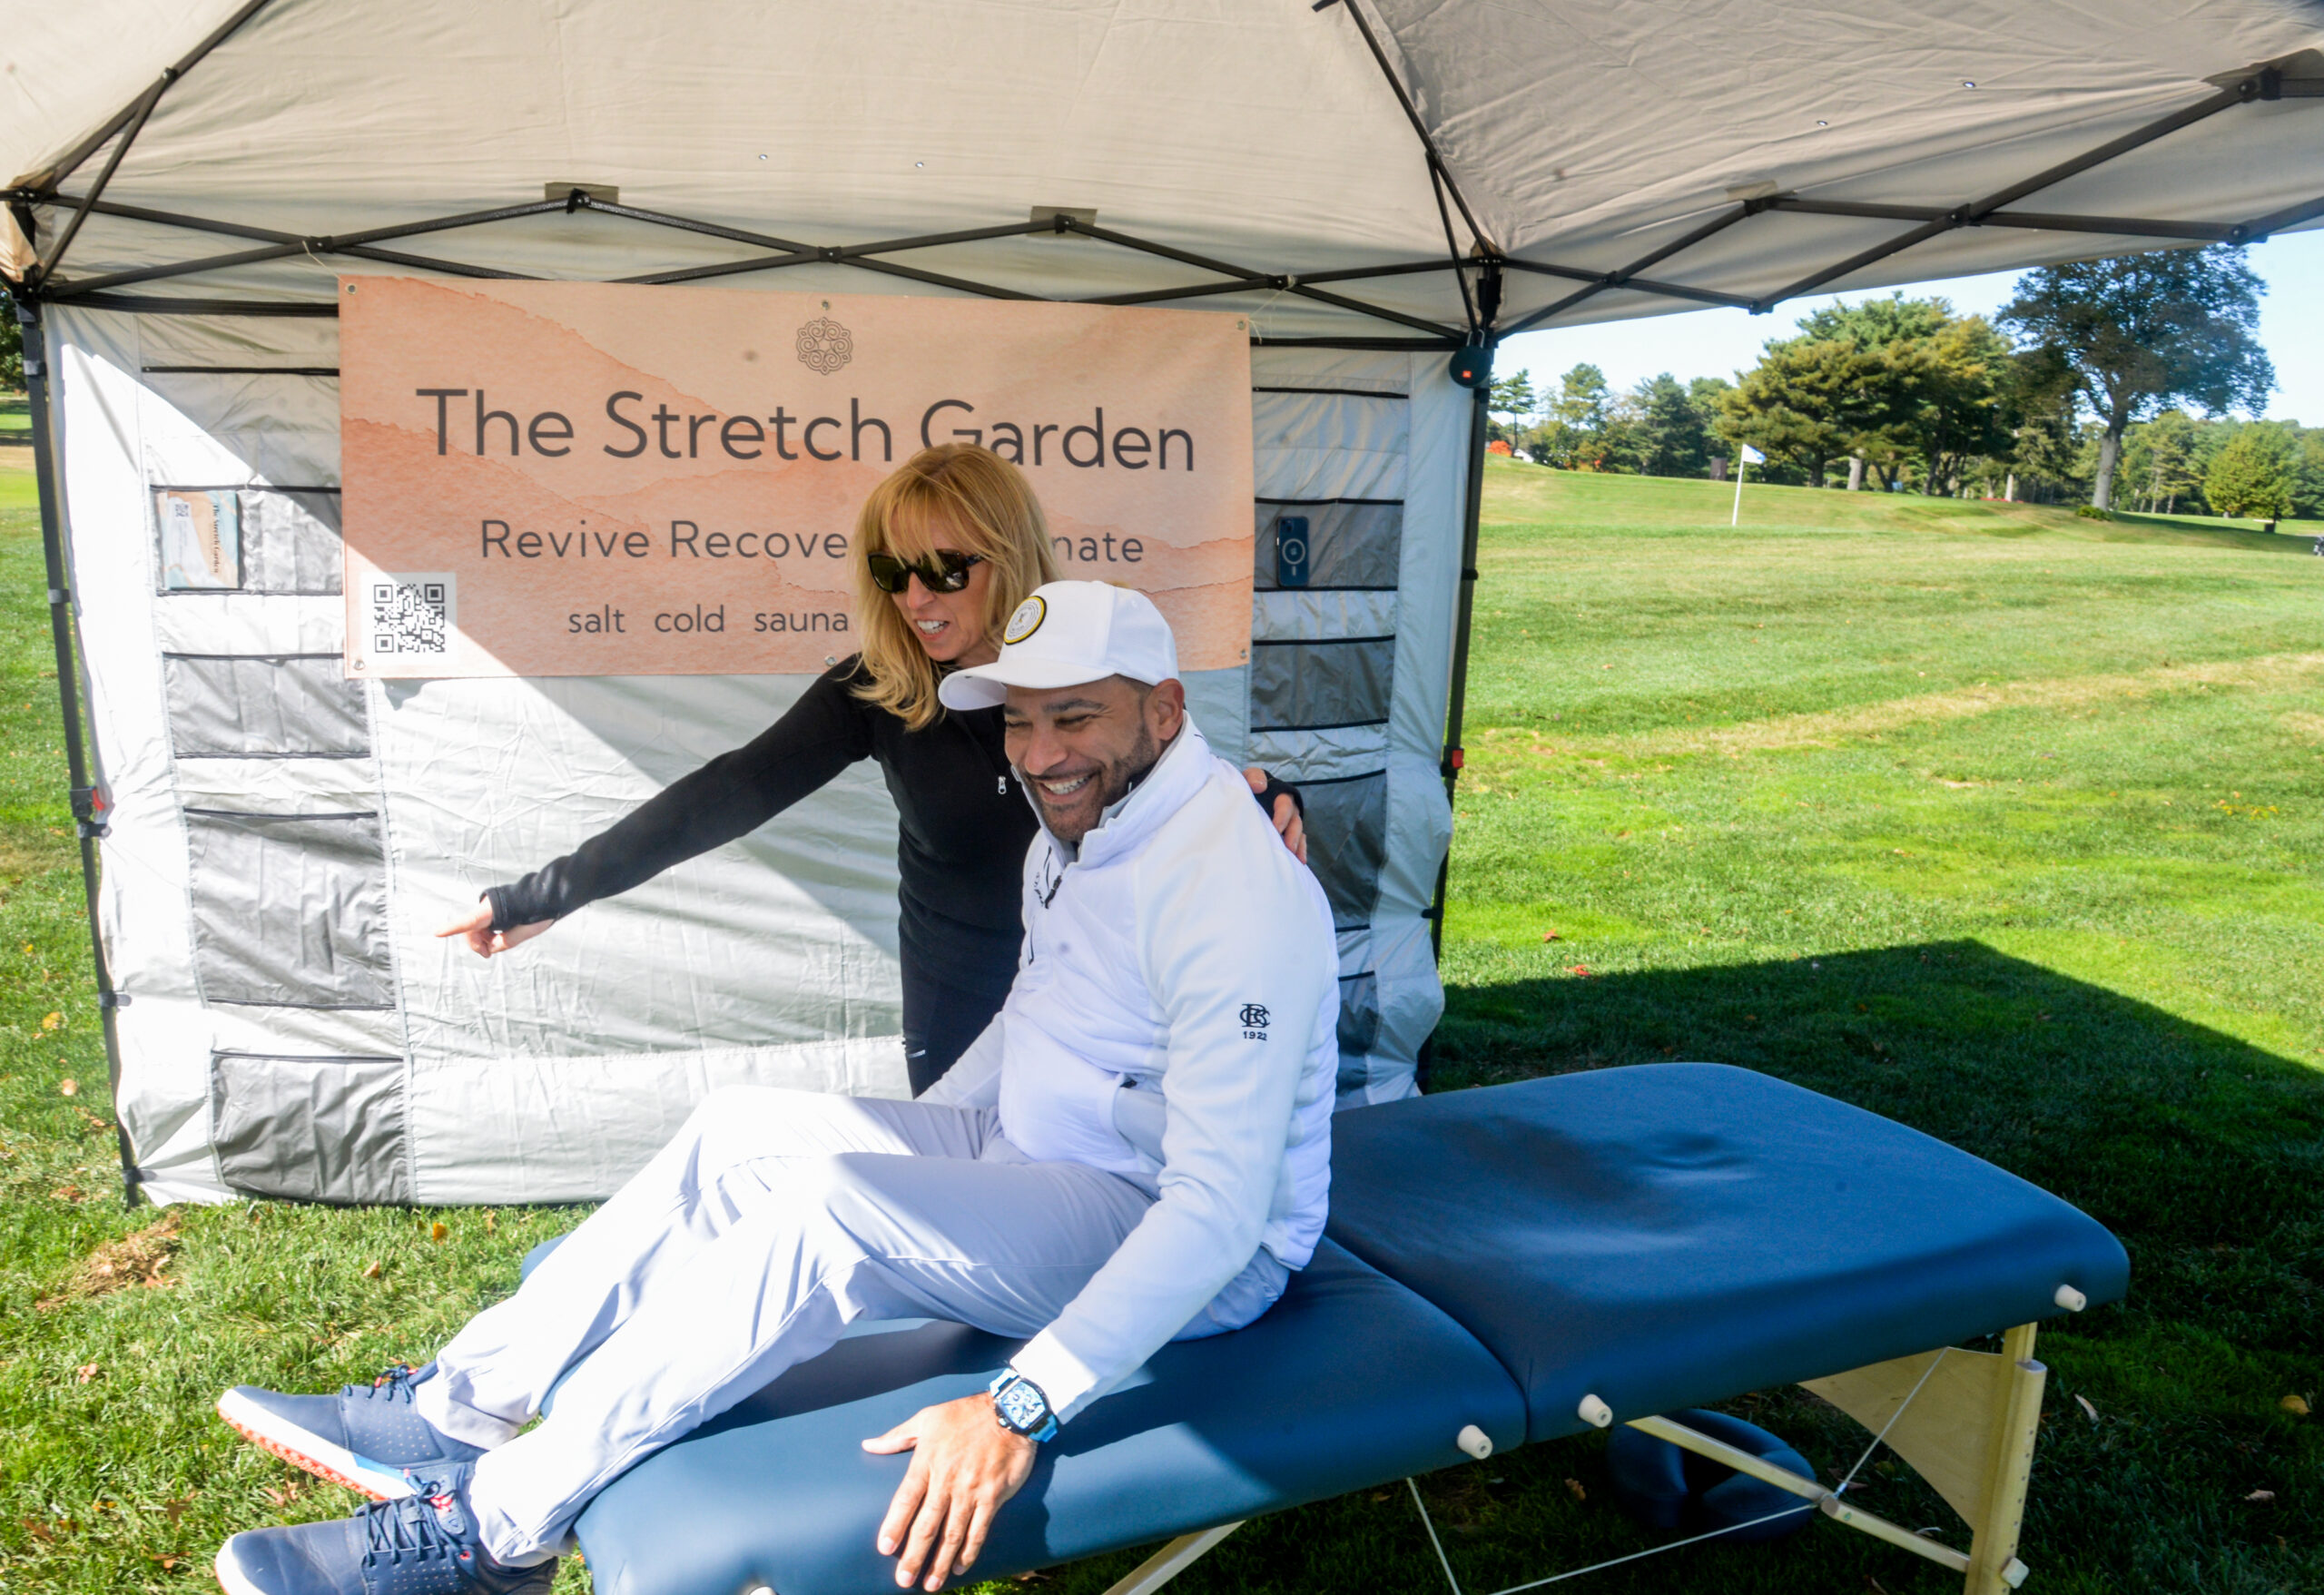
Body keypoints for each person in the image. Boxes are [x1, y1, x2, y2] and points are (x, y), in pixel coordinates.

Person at [212, 582, 1341, 1595]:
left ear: (1165, 711)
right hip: (1045, 1147)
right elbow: (1036, 1011)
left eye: (1075, 716)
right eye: (1020, 718)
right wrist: (930, 1135)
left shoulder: (1231, 890)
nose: (1040, 752)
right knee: (740, 1130)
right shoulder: (1082, 824)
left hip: (1178, 1228)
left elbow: (1219, 1209)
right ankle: (460, 1405)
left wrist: (1022, 1403)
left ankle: (494, 1534)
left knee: (832, 1210)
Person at [436, 444, 1305, 1095]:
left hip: (1100, 992)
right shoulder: (877, 689)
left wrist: (1267, 803)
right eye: (893, 570)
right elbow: (725, 794)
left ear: (1008, 556)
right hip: (958, 999)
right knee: (956, 1207)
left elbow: (1177, 771)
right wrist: (545, 894)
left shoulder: (1086, 658)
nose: (916, 598)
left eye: (945, 569)